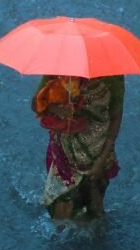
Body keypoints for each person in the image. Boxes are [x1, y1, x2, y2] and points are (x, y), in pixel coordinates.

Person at [31, 74, 125, 221]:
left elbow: (116, 116)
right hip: (64, 152)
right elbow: (36, 103)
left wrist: (102, 159)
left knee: (94, 210)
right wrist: (55, 108)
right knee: (61, 211)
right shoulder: (59, 68)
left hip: (97, 153)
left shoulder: (112, 76)